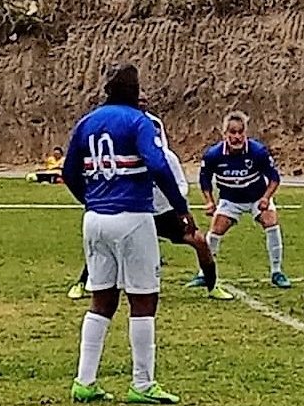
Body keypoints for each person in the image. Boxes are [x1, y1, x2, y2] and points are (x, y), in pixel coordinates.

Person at [62, 64, 193, 405]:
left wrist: (89, 200)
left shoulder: (86, 122)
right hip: (132, 216)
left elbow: (68, 171)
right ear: (135, 93)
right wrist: (179, 207)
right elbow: (158, 163)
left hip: (95, 219)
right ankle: (142, 383)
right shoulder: (139, 122)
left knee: (101, 300)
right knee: (144, 299)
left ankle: (84, 381)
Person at [68, 95, 232, 301]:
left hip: (163, 213)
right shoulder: (128, 153)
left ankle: (212, 285)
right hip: (135, 211)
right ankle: (82, 282)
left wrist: (174, 206)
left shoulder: (167, 159)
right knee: (107, 241)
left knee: (199, 240)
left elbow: (180, 186)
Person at [187, 111, 291, 289]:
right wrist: (210, 201)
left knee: (271, 222)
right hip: (230, 199)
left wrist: (266, 198)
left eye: (240, 132)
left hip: (257, 197)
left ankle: (277, 272)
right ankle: (204, 273)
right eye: (232, 133)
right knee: (215, 230)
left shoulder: (258, 151)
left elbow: (274, 178)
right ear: (224, 134)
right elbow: (205, 180)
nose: (237, 137)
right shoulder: (213, 155)